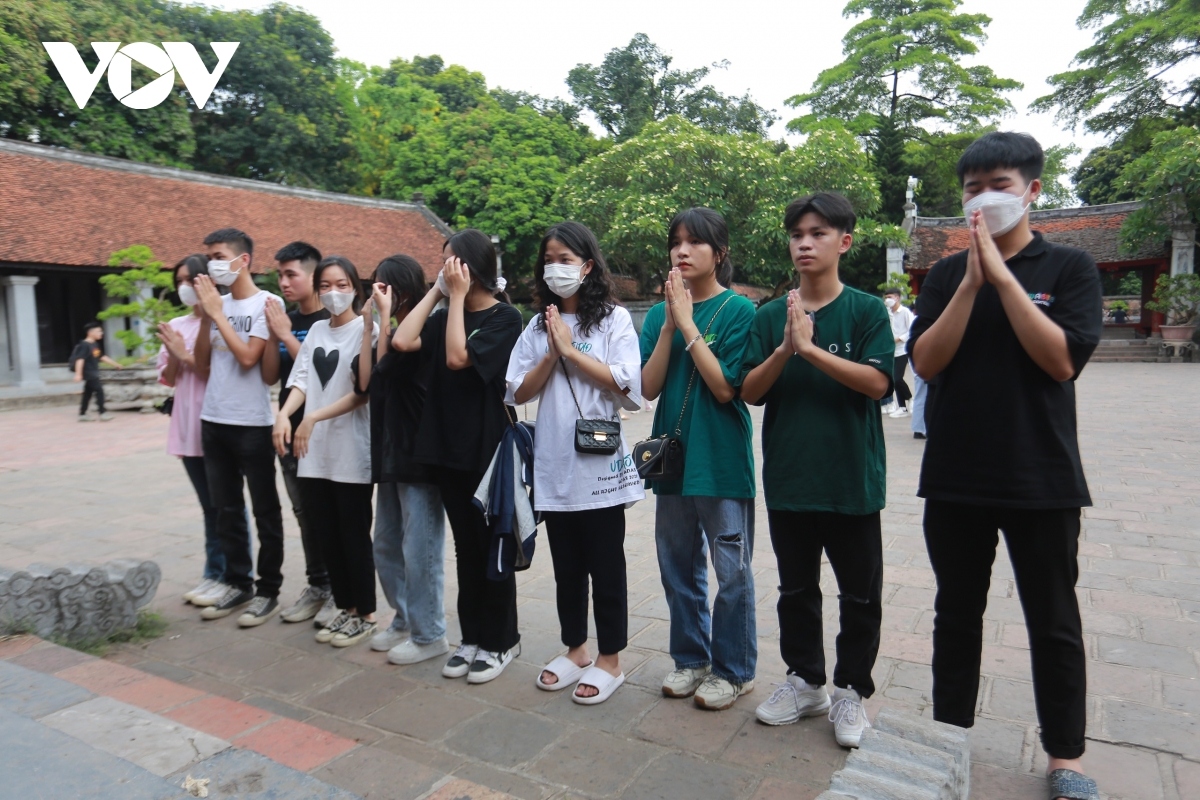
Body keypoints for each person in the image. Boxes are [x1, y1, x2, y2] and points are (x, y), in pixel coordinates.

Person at [908, 132, 1103, 800]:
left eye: (998, 184)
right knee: (955, 615)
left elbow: (1060, 360)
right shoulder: (941, 276)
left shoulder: (1068, 269)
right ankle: (948, 740)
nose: (984, 197)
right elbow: (927, 364)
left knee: (1053, 621)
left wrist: (1004, 278)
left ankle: (1066, 758)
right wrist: (969, 282)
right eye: (971, 187)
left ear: (1032, 191)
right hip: (957, 477)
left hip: (1041, 477)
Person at [741, 193, 893, 748]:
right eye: (797, 234)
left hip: (851, 479)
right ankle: (807, 682)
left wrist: (811, 348)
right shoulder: (768, 316)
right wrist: (785, 348)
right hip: (790, 477)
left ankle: (852, 689)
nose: (805, 243)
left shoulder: (868, 311)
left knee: (859, 595)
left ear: (844, 242)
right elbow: (750, 392)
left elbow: (878, 385)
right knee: (796, 589)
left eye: (819, 233)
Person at [507, 222, 644, 704]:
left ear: (587, 266)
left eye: (566, 259)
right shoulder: (535, 325)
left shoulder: (613, 321)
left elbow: (631, 389)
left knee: (606, 563)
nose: (556, 267)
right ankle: (576, 649)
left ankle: (611, 659)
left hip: (600, 465)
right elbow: (516, 391)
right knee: (566, 565)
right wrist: (551, 351)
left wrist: (571, 352)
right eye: (550, 259)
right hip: (554, 463)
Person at [392, 229, 524, 684]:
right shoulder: (441, 312)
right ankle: (472, 637)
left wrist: (459, 301)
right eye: (441, 263)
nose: (444, 269)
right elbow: (402, 342)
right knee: (465, 547)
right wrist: (436, 292)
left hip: (486, 449)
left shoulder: (505, 318)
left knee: (492, 546)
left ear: (472, 266)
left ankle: (502, 640)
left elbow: (456, 357)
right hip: (445, 447)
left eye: (451, 262)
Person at [639, 207, 757, 711]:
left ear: (720, 252)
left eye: (694, 242)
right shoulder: (654, 314)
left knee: (731, 571)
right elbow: (647, 386)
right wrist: (669, 326)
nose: (681, 251)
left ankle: (734, 671)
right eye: (676, 242)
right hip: (673, 460)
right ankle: (691, 660)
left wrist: (688, 323)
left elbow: (726, 388)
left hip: (721, 461)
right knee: (677, 567)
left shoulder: (738, 312)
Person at [274, 256, 379, 648]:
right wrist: (284, 414)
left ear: (355, 286)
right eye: (325, 286)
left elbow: (361, 393)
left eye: (341, 285)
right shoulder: (317, 329)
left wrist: (312, 417)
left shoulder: (366, 330)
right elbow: (300, 378)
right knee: (326, 533)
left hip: (350, 449)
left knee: (353, 534)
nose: (333, 293)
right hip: (312, 451)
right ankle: (346, 607)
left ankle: (366, 613)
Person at [192, 227, 287, 627]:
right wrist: (204, 316)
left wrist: (216, 314)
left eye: (219, 255)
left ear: (242, 260)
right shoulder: (217, 303)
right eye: (209, 256)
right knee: (225, 508)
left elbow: (250, 359)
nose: (212, 264)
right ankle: (237, 581)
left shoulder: (268, 302)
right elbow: (201, 364)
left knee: (264, 509)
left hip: (250, 423)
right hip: (213, 419)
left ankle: (267, 589)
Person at [360, 255, 449, 664]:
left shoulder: (425, 330)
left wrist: (381, 324)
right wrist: (371, 325)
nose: (375, 293)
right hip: (391, 453)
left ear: (404, 293)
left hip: (420, 456)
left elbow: (386, 370)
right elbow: (369, 385)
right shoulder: (395, 329)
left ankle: (430, 633)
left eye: (383, 287)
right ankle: (405, 617)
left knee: (420, 549)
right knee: (386, 545)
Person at [156, 255, 247, 608]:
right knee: (209, 506)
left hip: (219, 423)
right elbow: (169, 378)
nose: (183, 286)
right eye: (178, 279)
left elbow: (217, 372)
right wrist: (176, 354)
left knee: (226, 505)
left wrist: (185, 353)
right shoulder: (177, 323)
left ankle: (229, 574)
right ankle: (214, 572)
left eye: (190, 279)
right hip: (186, 424)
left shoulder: (222, 321)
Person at [264, 241, 335, 627]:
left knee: (331, 513)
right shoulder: (285, 318)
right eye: (280, 275)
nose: (284, 282)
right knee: (303, 511)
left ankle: (341, 590)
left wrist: (286, 335)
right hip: (289, 429)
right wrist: (276, 332)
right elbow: (273, 376)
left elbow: (321, 373)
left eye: (291, 274)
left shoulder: (335, 318)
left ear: (314, 276)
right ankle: (317, 585)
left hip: (326, 427)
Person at [71, 321, 122, 421]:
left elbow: (101, 357)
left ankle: (82, 414)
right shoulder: (84, 345)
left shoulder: (94, 345)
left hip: (93, 371)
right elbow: (80, 359)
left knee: (88, 393)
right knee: (99, 390)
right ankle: (102, 413)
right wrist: (78, 374)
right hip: (89, 372)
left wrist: (115, 364)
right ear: (90, 332)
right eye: (99, 331)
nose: (101, 333)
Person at [883, 288, 914, 417]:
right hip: (891, 350)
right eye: (886, 297)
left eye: (890, 296)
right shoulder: (888, 313)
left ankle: (910, 398)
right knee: (893, 379)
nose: (887, 299)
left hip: (903, 349)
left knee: (897, 378)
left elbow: (912, 329)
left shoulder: (905, 312)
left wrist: (900, 338)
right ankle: (902, 407)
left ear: (897, 297)